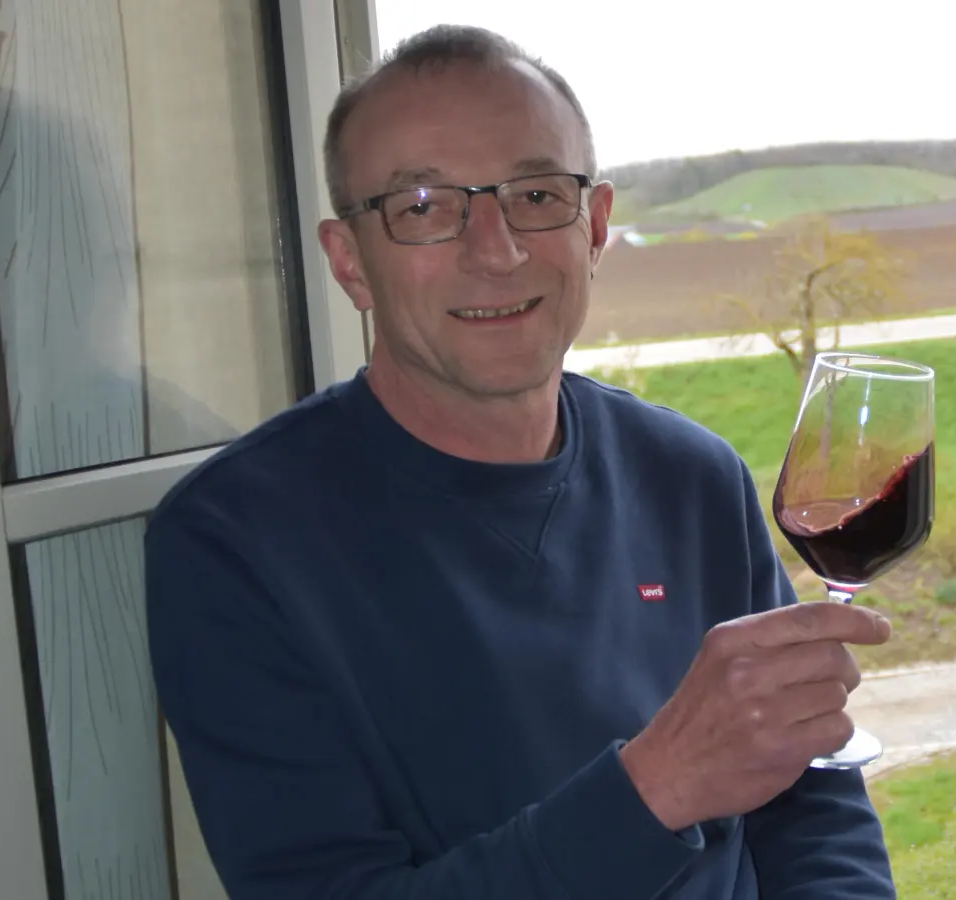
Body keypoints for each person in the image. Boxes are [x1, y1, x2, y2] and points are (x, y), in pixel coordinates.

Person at [144, 23, 899, 900]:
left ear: (596, 225)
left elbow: (811, 796)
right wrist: (655, 790)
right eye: (423, 207)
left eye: (537, 195)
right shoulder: (233, 543)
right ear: (350, 263)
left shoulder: (692, 477)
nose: (495, 251)